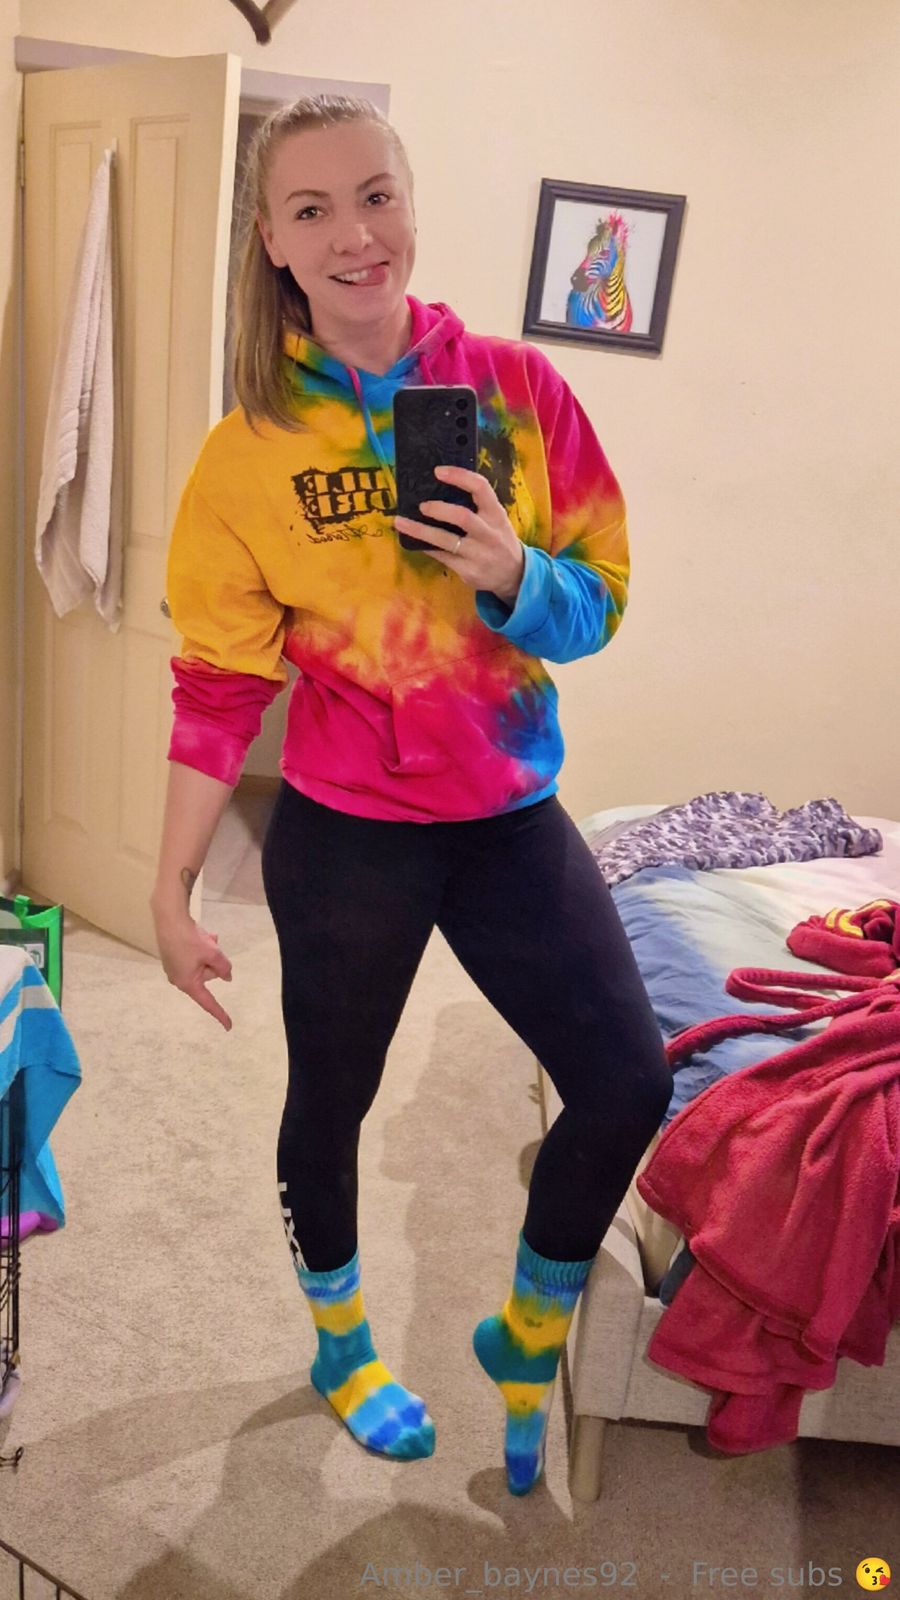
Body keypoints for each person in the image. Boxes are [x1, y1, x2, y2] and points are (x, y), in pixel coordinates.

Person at [150, 94, 673, 1498]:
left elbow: (600, 603)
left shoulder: (521, 392)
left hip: (508, 819)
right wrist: (171, 885)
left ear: (411, 204)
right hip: (347, 837)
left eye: (375, 195)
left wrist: (513, 573)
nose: (354, 234)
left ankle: (528, 1330)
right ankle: (341, 1343)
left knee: (628, 1081)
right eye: (312, 209)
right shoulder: (248, 452)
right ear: (272, 241)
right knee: (332, 1097)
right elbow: (216, 687)